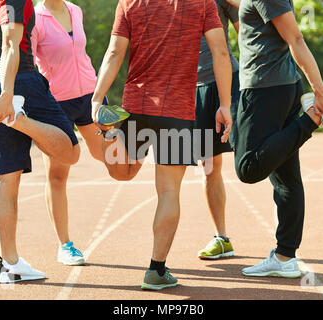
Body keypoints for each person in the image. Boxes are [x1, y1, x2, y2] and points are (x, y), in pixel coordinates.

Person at [91, 0, 233, 290]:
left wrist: (96, 98)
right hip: (177, 113)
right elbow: (220, 50)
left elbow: (115, 51)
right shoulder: (203, 2)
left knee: (123, 173)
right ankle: (156, 270)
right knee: (168, 190)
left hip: (137, 105)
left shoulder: (129, 1)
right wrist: (226, 104)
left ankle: (109, 135)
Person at [234, 0, 323, 277]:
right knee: (286, 179)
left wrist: (321, 91)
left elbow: (295, 38)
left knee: (248, 168)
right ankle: (285, 257)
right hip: (278, 86)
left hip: (265, 88)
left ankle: (313, 117)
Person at [0, 0, 82, 283]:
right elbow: (11, 44)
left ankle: (9, 265)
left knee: (6, 179)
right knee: (70, 151)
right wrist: (7, 96)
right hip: (20, 83)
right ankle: (19, 119)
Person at [30, 0, 109, 266]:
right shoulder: (35, 17)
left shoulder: (75, 10)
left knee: (108, 156)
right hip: (55, 103)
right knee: (58, 175)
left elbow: (80, 54)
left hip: (89, 95)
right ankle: (65, 245)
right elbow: (29, 65)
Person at [196, 0, 240, 260]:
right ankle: (222, 238)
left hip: (230, 82)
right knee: (209, 166)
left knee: (257, 153)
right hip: (195, 89)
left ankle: (284, 245)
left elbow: (248, 33)